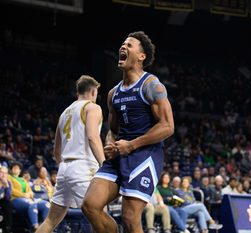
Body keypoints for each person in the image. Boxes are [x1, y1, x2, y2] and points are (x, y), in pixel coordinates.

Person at [82, 31, 174, 233]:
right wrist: (110, 144)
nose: (123, 47)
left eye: (129, 45)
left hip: (144, 155)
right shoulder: (113, 93)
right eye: (122, 44)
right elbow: (112, 131)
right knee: (90, 205)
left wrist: (131, 145)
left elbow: (167, 126)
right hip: (120, 153)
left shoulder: (152, 85)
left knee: (130, 218)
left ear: (141, 56)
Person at [35, 75, 105, 233]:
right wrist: (104, 163)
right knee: (101, 218)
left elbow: (56, 150)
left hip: (64, 168)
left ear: (77, 92)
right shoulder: (93, 108)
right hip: (84, 167)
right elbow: (93, 137)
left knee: (50, 221)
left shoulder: (64, 113)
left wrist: (66, 168)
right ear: (93, 91)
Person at [8, 161, 50, 231]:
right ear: (11, 170)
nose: (16, 170)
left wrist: (30, 194)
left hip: (28, 199)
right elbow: (11, 190)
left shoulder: (23, 179)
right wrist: (23, 195)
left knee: (46, 204)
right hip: (15, 199)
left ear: (20, 170)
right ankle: (36, 227)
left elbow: (30, 190)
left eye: (18, 168)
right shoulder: (9, 178)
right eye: (14, 168)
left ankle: (46, 228)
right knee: (32, 204)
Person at [0, 165, 12, 233]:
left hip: (2, 202)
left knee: (8, 204)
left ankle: (7, 227)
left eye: (5, 173)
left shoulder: (8, 182)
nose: (3, 175)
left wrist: (6, 186)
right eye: (1, 172)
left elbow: (8, 197)